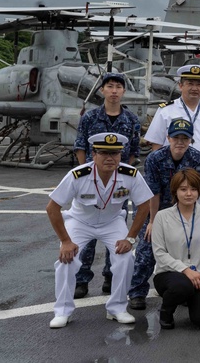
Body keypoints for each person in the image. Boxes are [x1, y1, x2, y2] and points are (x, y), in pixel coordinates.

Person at [46, 133, 152, 328]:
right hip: (80, 222)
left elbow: (145, 205)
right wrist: (66, 241)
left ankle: (117, 308)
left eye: (115, 153)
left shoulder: (130, 175)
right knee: (66, 260)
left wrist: (130, 238)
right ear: (93, 155)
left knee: (125, 258)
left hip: (112, 222)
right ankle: (62, 311)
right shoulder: (78, 175)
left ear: (121, 155)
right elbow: (52, 208)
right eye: (104, 153)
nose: (110, 158)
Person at [72, 72, 142, 300]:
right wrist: (85, 174)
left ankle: (111, 277)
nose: (114, 91)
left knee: (117, 228)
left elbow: (133, 152)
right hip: (90, 182)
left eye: (118, 87)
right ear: (102, 90)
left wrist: (121, 175)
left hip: (118, 185)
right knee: (86, 230)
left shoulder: (131, 120)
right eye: (110, 86)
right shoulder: (90, 118)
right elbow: (80, 146)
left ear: (123, 92)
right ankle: (81, 279)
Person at [128, 118, 200, 311]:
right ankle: (137, 292)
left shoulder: (195, 158)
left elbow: (192, 189)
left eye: (185, 138)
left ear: (190, 140)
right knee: (147, 249)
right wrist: (154, 222)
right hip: (154, 210)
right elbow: (154, 193)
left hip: (181, 210)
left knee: (185, 249)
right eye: (176, 137)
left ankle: (185, 288)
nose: (180, 142)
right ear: (168, 137)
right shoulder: (155, 158)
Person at [151, 169, 200, 330]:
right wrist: (185, 270)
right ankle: (166, 311)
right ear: (175, 191)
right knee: (181, 286)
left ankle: (191, 298)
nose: (189, 193)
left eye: (193, 189)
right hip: (169, 275)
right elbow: (159, 253)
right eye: (183, 189)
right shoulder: (162, 217)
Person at [146, 64, 200, 207]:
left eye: (199, 84)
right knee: (171, 208)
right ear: (180, 85)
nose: (194, 88)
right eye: (190, 83)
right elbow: (157, 145)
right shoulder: (166, 111)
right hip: (172, 167)